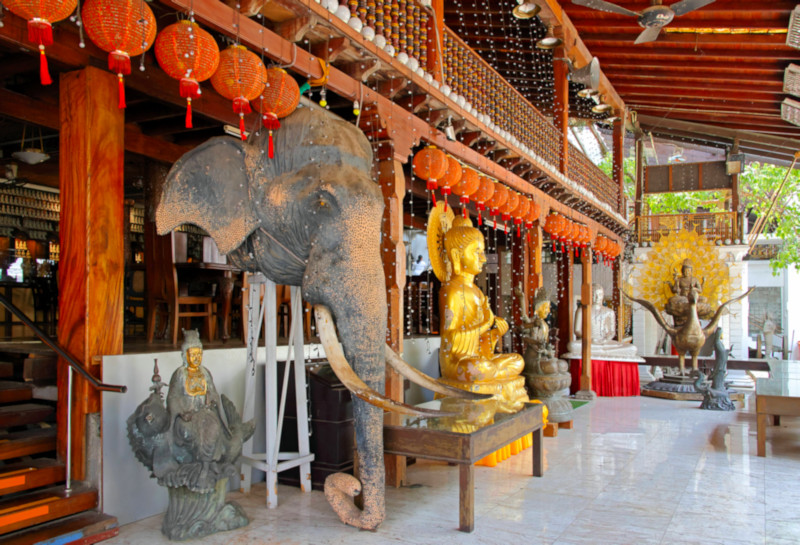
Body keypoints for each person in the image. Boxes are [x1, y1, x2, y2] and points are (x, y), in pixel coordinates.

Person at [431, 210, 528, 413]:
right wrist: (484, 325)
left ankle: (494, 374)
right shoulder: (451, 291)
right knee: (478, 369)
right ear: (457, 256)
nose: (483, 259)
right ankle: (493, 379)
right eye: (476, 252)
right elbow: (451, 339)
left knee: (517, 360)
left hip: (477, 357)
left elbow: (482, 343)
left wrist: (493, 333)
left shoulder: (477, 292)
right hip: (458, 363)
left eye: (482, 252)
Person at [567, 283, 639, 358]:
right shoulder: (582, 310)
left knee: (632, 348)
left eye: (599, 295)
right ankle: (603, 351)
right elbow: (577, 330)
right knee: (572, 346)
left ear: (603, 295)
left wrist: (606, 340)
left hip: (604, 342)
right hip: (588, 342)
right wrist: (589, 338)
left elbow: (612, 332)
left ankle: (602, 351)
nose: (597, 297)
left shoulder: (609, 312)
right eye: (593, 295)